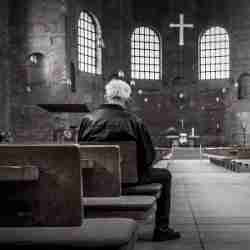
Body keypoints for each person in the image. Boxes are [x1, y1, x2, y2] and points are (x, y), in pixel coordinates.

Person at [78, 74, 181, 241]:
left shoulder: (87, 120)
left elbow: (80, 152)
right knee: (165, 176)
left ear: (106, 96)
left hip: (96, 179)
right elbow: (148, 157)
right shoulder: (134, 121)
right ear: (127, 98)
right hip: (131, 179)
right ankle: (162, 229)